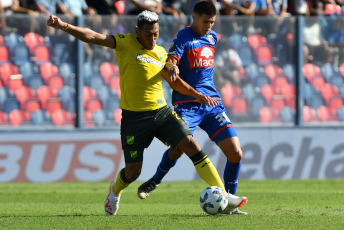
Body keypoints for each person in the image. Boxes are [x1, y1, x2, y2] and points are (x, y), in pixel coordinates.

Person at [46, 10, 247, 216]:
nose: (152, 39)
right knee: (133, 172)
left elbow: (174, 82)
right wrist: (65, 26)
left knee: (190, 144)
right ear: (137, 31)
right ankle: (115, 190)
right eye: (148, 34)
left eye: (156, 34)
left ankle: (225, 194)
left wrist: (198, 95)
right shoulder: (124, 42)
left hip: (161, 112)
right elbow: (93, 36)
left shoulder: (160, 52)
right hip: (134, 118)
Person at [137, 1, 248, 215]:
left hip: (212, 103)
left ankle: (228, 204)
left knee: (235, 153)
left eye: (212, 22)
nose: (208, 26)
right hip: (187, 104)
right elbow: (171, 59)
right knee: (179, 147)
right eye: (205, 21)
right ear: (194, 16)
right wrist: (172, 66)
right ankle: (154, 181)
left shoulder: (213, 37)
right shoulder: (183, 37)